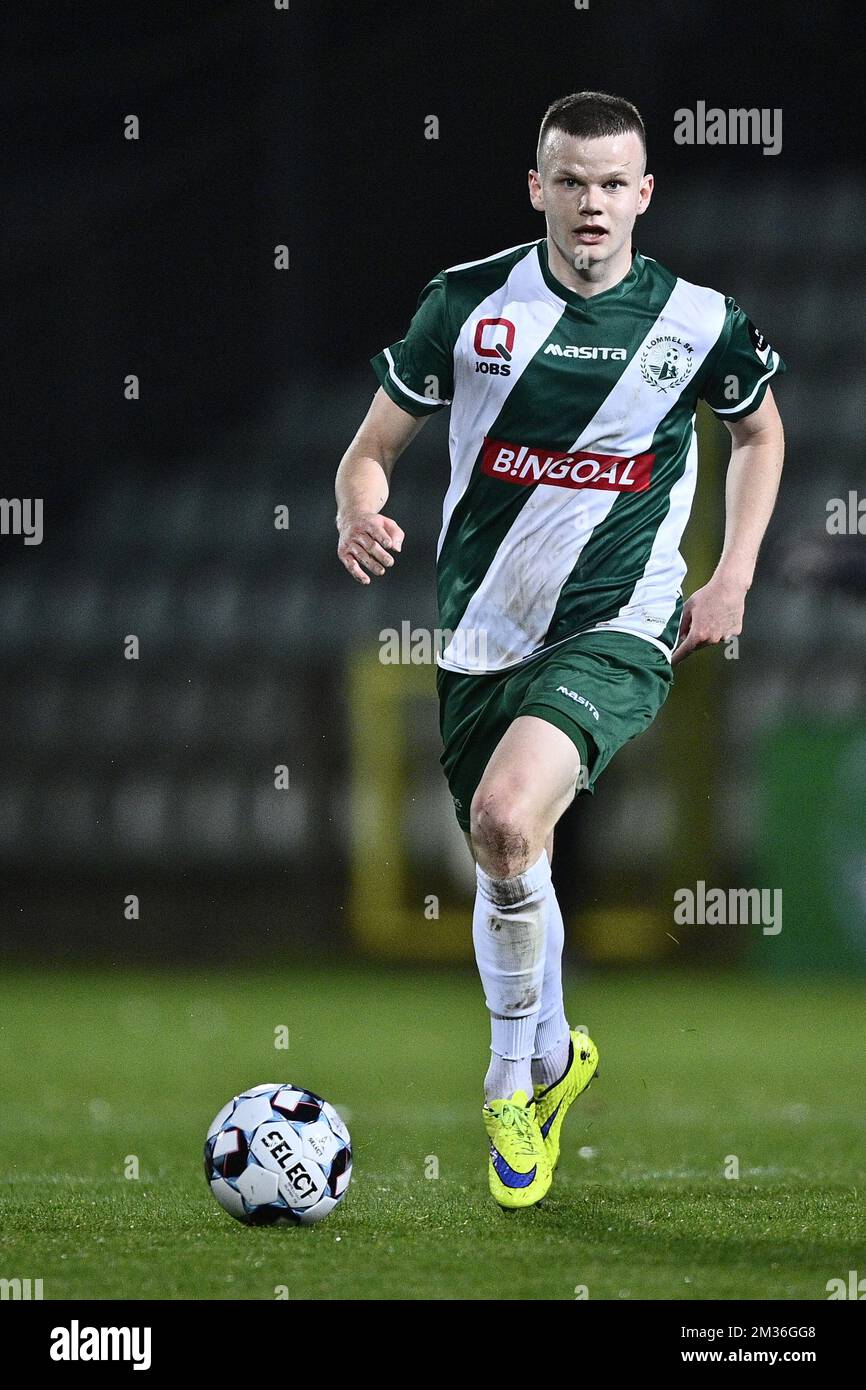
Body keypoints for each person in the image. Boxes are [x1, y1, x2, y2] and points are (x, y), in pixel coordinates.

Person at [335, 91, 786, 1209]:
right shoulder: (467, 304)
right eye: (568, 181)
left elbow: (758, 429)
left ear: (643, 194)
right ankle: (546, 1057)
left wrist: (728, 572)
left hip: (618, 620)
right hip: (482, 636)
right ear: (536, 188)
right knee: (507, 849)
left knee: (501, 815)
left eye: (610, 183)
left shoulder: (696, 319)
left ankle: (501, 1079)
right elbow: (369, 451)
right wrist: (357, 508)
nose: (590, 203)